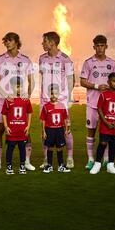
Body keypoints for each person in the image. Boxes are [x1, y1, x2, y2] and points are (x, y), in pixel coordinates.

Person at [0, 32, 35, 172]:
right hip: (3, 101)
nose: (7, 43)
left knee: (25, 130)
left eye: (10, 41)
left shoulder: (26, 60)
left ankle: (26, 161)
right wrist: (4, 95)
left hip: (20, 103)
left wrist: (28, 95)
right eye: (5, 41)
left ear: (16, 42)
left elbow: (31, 80)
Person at [80, 35, 115, 170]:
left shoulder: (112, 63)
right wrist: (97, 86)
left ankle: (106, 159)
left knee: (107, 132)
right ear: (94, 47)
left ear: (106, 46)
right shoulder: (88, 62)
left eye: (102, 45)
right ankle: (90, 159)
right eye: (98, 45)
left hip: (108, 106)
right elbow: (82, 81)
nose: (100, 48)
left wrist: (112, 87)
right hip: (93, 103)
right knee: (91, 131)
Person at [39, 31, 75, 168]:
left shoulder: (66, 59)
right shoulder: (42, 58)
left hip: (61, 101)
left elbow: (72, 80)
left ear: (52, 42)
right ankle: (46, 160)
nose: (42, 43)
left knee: (66, 129)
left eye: (44, 41)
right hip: (45, 101)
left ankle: (70, 158)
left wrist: (64, 98)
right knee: (45, 130)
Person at [90, 72, 115, 174]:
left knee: (113, 144)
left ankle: (110, 165)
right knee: (103, 143)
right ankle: (97, 164)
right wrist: (105, 122)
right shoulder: (103, 95)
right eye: (114, 81)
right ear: (108, 82)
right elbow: (99, 109)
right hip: (105, 125)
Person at [1, 76, 33, 175]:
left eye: (20, 86)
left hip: (22, 130)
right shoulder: (8, 100)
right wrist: (6, 126)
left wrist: (28, 126)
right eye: (16, 86)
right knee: (10, 149)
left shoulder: (25, 99)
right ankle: (9, 166)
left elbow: (29, 112)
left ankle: (22, 165)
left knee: (22, 149)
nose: (19, 89)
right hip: (12, 130)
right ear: (11, 87)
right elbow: (4, 113)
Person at [40, 84, 71, 173]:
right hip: (49, 130)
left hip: (59, 130)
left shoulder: (61, 105)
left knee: (59, 148)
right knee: (49, 148)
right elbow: (43, 120)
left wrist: (66, 129)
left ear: (58, 94)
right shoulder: (46, 106)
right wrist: (43, 131)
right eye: (52, 93)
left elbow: (65, 118)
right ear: (49, 94)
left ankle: (61, 165)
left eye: (56, 94)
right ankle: (49, 165)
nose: (54, 96)